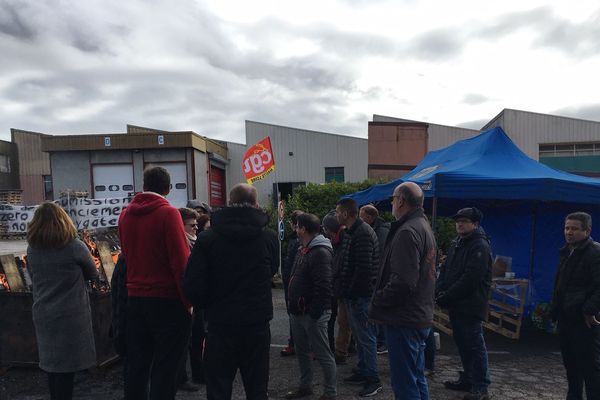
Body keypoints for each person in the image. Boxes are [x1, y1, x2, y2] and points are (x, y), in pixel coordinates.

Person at [183, 183, 279, 400]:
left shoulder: (207, 239)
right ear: (256, 205)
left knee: (218, 388)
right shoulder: (269, 237)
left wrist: (208, 305)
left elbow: (192, 284)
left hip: (220, 324)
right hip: (257, 323)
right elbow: (272, 270)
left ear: (229, 203)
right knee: (257, 389)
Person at [118, 166, 192, 400]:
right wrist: (188, 301)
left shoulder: (125, 215)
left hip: (135, 300)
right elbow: (180, 262)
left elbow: (128, 256)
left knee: (137, 366)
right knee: (166, 367)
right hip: (167, 300)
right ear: (168, 189)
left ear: (144, 185)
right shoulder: (169, 214)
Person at [368, 182, 437, 400]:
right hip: (417, 315)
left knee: (405, 383)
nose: (391, 203)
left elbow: (404, 283)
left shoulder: (407, 232)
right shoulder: (422, 226)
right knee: (416, 378)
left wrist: (378, 299)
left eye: (393, 199)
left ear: (401, 201)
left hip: (404, 318)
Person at [26, 202, 99, 400]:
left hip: (43, 312)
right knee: (67, 368)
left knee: (52, 365)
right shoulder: (74, 246)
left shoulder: (32, 249)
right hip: (71, 314)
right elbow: (93, 273)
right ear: (63, 220)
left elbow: (32, 276)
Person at [436, 207, 492, 400]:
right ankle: (468, 379)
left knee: (475, 345)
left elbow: (470, 279)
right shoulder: (458, 243)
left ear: (475, 224)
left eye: (464, 221)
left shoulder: (479, 246)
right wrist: (439, 289)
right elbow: (446, 268)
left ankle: (480, 386)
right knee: (463, 344)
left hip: (470, 305)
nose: (459, 223)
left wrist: (446, 296)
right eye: (458, 220)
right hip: (457, 304)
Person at [285, 213, 337, 400]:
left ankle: (330, 393)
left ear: (303, 229)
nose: (295, 229)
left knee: (323, 354)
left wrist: (314, 313)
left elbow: (324, 286)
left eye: (297, 226)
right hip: (299, 312)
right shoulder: (304, 249)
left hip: (312, 314)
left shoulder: (320, 252)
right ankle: (305, 387)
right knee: (303, 352)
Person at [551, 212, 600, 400]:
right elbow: (562, 285)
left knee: (590, 369)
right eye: (566, 228)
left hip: (584, 322)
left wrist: (589, 310)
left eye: (574, 229)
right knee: (571, 367)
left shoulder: (595, 253)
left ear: (587, 231)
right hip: (566, 318)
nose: (569, 232)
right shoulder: (567, 251)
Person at [336, 198, 382, 397]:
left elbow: (363, 271)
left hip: (360, 297)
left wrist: (351, 293)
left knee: (366, 338)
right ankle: (364, 371)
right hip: (354, 295)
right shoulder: (352, 232)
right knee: (362, 338)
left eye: (338, 211)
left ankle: (373, 379)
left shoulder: (361, 234)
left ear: (346, 214)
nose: (336, 214)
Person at [176, 207, 202, 392]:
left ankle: (194, 374)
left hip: (194, 299)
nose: (196, 229)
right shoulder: (182, 244)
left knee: (195, 338)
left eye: (197, 225)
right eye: (192, 225)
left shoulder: (195, 241)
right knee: (183, 342)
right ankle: (180, 378)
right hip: (183, 300)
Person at [359, 204, 390, 354]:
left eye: (361, 216)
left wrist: (375, 278)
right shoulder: (375, 229)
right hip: (376, 278)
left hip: (379, 278)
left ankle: (382, 342)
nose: (359, 219)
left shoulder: (381, 231)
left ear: (370, 218)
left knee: (378, 310)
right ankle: (380, 340)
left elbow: (380, 256)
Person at [322, 211, 349, 363]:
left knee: (344, 322)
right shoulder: (339, 238)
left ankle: (341, 353)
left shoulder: (343, 238)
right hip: (342, 286)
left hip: (345, 288)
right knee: (343, 322)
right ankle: (342, 351)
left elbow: (342, 265)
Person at [281, 210, 304, 357]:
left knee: (296, 312)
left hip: (293, 281)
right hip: (291, 279)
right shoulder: (296, 239)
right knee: (295, 313)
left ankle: (295, 344)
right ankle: (294, 343)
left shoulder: (297, 241)